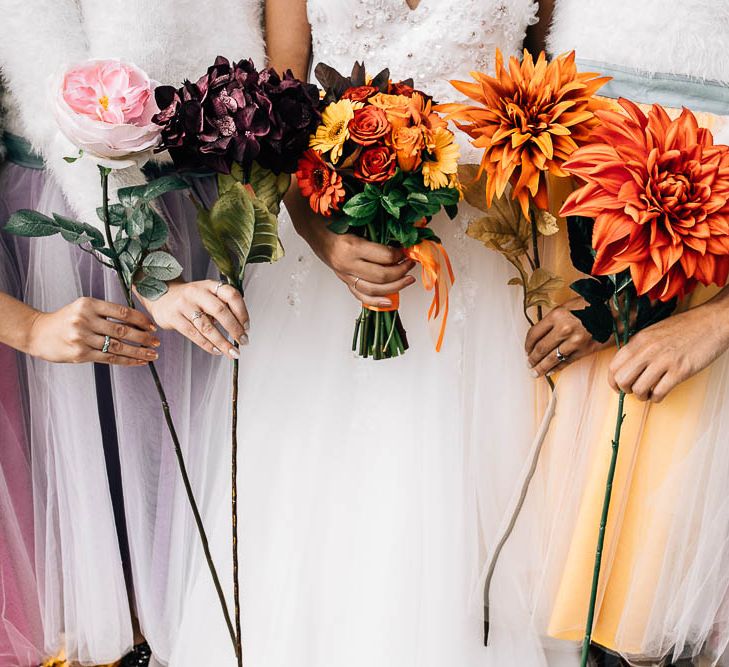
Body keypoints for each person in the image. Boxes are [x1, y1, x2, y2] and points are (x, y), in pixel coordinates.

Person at [169, 0, 543, 665]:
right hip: (327, 241)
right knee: (316, 493)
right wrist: (325, 242)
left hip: (480, 259)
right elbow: (275, 119)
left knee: (463, 485)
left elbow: (546, 103)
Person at [0, 1, 258, 663]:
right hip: (87, 224)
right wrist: (147, 275)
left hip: (227, 212)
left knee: (216, 499)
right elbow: (45, 78)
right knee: (114, 517)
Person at [490, 0, 729, 664]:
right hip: (574, 194)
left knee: (657, 574)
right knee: (566, 559)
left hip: (707, 219)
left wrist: (716, 318)